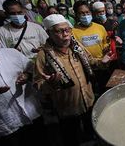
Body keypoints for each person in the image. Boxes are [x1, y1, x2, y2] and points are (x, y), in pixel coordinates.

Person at [34, 14, 96, 146]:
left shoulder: (76, 46)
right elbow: (38, 83)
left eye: (68, 30)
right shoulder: (43, 55)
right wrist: (50, 84)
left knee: (90, 132)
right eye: (59, 31)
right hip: (67, 108)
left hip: (88, 99)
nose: (66, 34)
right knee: (71, 138)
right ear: (49, 33)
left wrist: (103, 61)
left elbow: (90, 60)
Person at [0, 35, 46, 146]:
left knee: (40, 139)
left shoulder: (11, 53)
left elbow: (33, 69)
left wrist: (27, 75)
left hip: (31, 110)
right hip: (5, 120)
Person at [73, 1, 114, 95]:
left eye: (87, 12)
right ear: (77, 15)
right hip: (86, 68)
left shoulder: (100, 28)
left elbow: (105, 42)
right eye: (82, 13)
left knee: (105, 90)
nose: (85, 15)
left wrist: (106, 50)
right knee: (90, 91)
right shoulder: (73, 31)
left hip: (102, 65)